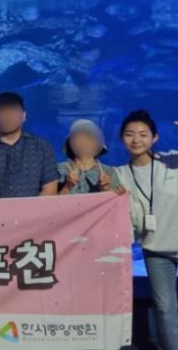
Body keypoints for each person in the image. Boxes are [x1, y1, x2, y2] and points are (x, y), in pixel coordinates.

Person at [115, 110, 178, 350]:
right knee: (164, 308)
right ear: (121, 138)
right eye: (129, 134)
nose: (136, 139)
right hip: (156, 249)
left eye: (143, 134)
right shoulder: (119, 175)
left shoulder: (172, 160)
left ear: (155, 138)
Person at [0, 92, 58, 198]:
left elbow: (50, 190)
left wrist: (30, 209)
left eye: (12, 111)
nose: (6, 116)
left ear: (24, 116)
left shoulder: (41, 146)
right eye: (1, 111)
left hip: (34, 208)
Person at [58, 119, 120, 194]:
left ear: (97, 143)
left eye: (89, 138)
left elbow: (117, 199)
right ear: (70, 143)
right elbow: (51, 199)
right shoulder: (59, 170)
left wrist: (107, 189)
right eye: (78, 137)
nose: (84, 142)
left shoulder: (109, 171)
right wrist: (68, 186)